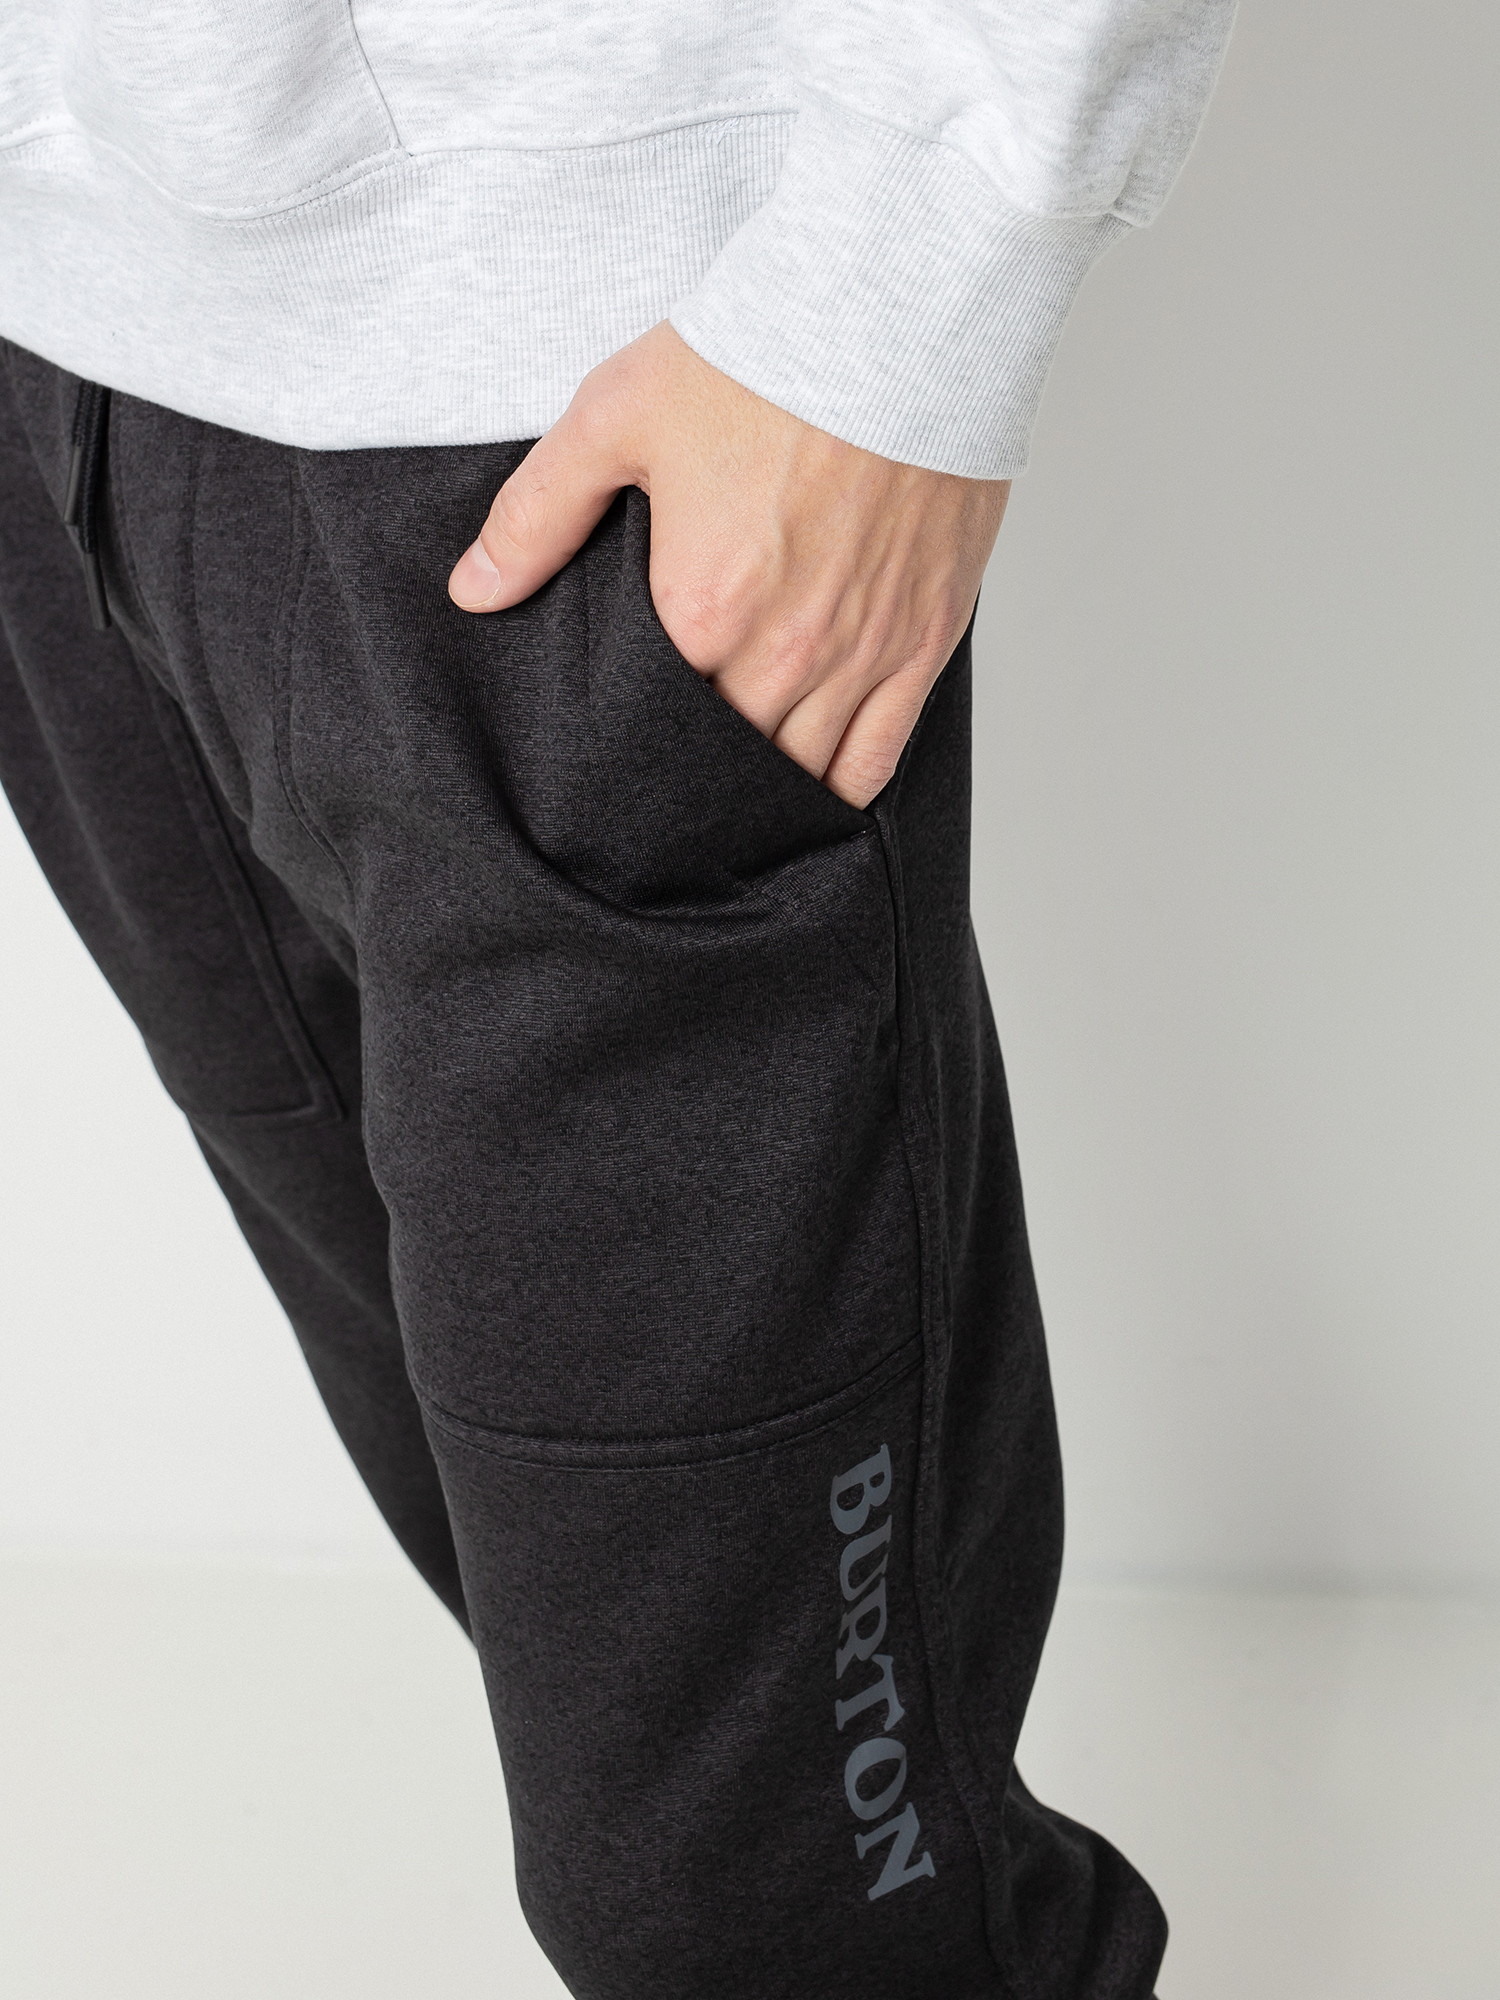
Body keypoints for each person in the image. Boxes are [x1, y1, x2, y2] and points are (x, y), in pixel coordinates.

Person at [0, 4, 1234, 1995]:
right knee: (550, 1600)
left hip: (560, 430)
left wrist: (918, 256)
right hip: (60, 329)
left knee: (754, 1906)